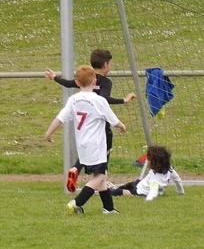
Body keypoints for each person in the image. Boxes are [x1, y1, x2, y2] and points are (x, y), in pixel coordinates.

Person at [45, 48, 136, 192]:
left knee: (88, 152)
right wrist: (123, 101)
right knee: (103, 153)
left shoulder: (84, 79)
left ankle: (76, 168)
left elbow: (68, 83)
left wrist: (55, 77)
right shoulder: (105, 82)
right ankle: (101, 181)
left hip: (84, 124)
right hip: (99, 124)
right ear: (106, 65)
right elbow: (104, 99)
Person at [44, 65, 126, 215]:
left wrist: (48, 133)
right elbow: (113, 119)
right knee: (100, 176)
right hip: (96, 145)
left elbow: (60, 118)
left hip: (82, 145)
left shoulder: (73, 99)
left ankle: (108, 208)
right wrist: (122, 126)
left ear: (77, 83)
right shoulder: (99, 100)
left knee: (100, 176)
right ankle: (77, 202)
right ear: (95, 81)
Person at [110, 145, 185, 200]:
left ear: (155, 162)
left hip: (140, 192)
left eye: (148, 159)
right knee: (127, 185)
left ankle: (109, 192)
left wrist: (148, 200)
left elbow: (153, 191)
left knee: (119, 192)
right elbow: (177, 179)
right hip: (140, 184)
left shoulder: (156, 179)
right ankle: (112, 189)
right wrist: (180, 191)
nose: (146, 161)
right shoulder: (169, 169)